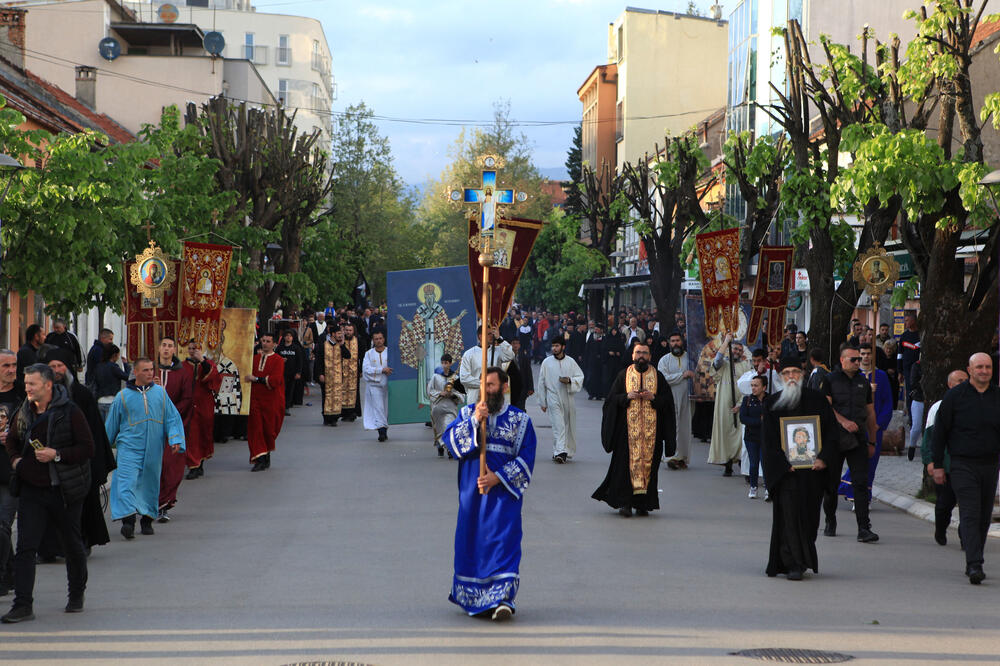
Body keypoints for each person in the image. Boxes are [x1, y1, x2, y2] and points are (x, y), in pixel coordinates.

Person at [442, 366, 536, 620]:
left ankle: (503, 599)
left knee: (502, 543)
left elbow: (527, 459)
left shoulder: (520, 420)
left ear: (504, 388)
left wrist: (497, 477)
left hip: (503, 497)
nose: (487, 390)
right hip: (472, 496)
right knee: (472, 542)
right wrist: (474, 422)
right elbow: (450, 442)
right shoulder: (467, 413)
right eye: (484, 385)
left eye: (492, 385)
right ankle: (475, 596)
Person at [2, 364, 93, 623]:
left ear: (48, 385)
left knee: (71, 545)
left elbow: (88, 448)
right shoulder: (24, 410)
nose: (27, 388)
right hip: (32, 490)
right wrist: (17, 462)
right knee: (25, 548)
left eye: (32, 384)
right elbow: (12, 440)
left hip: (63, 490)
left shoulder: (70, 412)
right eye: (26, 383)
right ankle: (23, 605)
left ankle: (76, 594)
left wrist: (58, 454)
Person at [761, 357, 837, 580]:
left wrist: (824, 458)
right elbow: (769, 440)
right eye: (786, 373)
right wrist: (783, 465)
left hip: (813, 472)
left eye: (795, 372)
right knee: (789, 517)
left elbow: (831, 432)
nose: (791, 377)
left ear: (802, 375)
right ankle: (792, 563)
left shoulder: (817, 400)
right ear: (781, 376)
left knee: (810, 518)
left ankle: (802, 560)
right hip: (787, 473)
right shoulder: (773, 403)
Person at [932, 353, 1000, 585]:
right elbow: (939, 432)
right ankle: (974, 564)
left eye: (988, 367)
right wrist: (938, 464)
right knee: (970, 513)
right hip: (962, 464)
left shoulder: (997, 396)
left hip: (990, 464)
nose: (984, 371)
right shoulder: (954, 397)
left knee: (983, 517)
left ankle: (975, 556)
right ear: (969, 370)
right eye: (979, 367)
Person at [39, 349, 115, 559]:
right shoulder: (37, 396)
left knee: (80, 508)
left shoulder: (81, 395)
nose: (56, 371)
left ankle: (82, 541)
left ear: (68, 368)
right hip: (48, 462)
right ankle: (48, 549)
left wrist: (97, 463)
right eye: (52, 367)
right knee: (47, 507)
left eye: (60, 366)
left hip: (79, 462)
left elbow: (95, 432)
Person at [593, 341, 675, 517]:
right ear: (632, 355)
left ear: (650, 356)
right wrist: (626, 397)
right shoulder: (624, 375)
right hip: (627, 433)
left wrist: (653, 397)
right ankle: (625, 503)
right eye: (638, 353)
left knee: (650, 469)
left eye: (645, 353)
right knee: (624, 469)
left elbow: (668, 403)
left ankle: (643, 504)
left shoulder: (658, 377)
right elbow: (610, 401)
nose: (641, 356)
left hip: (652, 435)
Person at [106, 358, 185, 540]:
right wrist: (102, 450)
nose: (150, 373)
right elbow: (111, 426)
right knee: (126, 483)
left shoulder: (160, 394)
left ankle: (147, 519)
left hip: (153, 448)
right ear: (136, 372)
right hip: (128, 447)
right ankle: (128, 520)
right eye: (146, 370)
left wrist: (175, 439)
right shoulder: (122, 397)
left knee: (150, 483)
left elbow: (172, 418)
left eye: (151, 369)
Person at [821, 345, 879, 543]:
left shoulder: (863, 382)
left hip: (858, 439)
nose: (858, 362)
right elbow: (826, 408)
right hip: (835, 438)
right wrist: (843, 421)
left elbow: (870, 413)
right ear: (843, 359)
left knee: (861, 483)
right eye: (854, 359)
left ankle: (864, 528)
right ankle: (830, 518)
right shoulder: (830, 380)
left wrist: (873, 439)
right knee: (831, 483)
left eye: (859, 359)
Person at [838, 345, 892, 504]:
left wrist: (879, 424)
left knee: (871, 463)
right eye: (862, 354)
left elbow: (888, 402)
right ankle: (854, 494)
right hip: (858, 426)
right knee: (858, 462)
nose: (866, 357)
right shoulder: (853, 377)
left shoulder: (881, 376)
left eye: (869, 354)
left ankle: (864, 498)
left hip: (875, 428)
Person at [922, 369, 968, 546]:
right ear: (950, 384)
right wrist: (931, 461)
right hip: (946, 465)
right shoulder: (939, 407)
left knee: (968, 506)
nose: (963, 383)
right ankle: (941, 528)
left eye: (965, 380)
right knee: (944, 505)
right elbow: (929, 436)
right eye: (958, 381)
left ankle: (967, 539)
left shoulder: (974, 403)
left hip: (966, 466)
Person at [154, 337, 193, 523]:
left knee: (171, 466)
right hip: (151, 426)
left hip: (173, 426)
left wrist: (171, 414)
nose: (166, 349)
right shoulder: (150, 371)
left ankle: (165, 504)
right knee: (154, 466)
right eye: (163, 346)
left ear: (175, 350)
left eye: (170, 346)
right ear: (158, 348)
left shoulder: (183, 373)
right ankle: (152, 503)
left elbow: (187, 398)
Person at [706, 334, 751, 475]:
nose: (736, 352)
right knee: (725, 432)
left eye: (739, 350)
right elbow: (717, 360)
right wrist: (726, 341)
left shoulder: (746, 366)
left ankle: (741, 463)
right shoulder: (724, 364)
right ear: (730, 350)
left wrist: (740, 404)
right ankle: (728, 464)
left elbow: (749, 387)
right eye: (734, 349)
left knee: (740, 434)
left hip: (741, 403)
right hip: (724, 404)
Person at [0, 349, 25, 598]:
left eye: (14, 364)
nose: (11, 369)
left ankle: (3, 577)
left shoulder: (23, 395)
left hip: (12, 471)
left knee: (3, 525)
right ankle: (11, 571)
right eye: (6, 365)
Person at [537, 336, 584, 464]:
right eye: (553, 346)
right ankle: (561, 452)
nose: (554, 348)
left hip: (567, 396)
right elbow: (541, 382)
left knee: (565, 425)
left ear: (563, 347)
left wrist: (570, 380)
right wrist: (542, 401)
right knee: (559, 425)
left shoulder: (571, 362)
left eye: (557, 346)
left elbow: (580, 376)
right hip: (552, 397)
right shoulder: (546, 362)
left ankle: (557, 449)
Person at [183, 340, 221, 480]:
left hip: (204, 405)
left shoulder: (208, 364)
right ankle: (193, 466)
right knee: (191, 436)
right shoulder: (183, 365)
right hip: (188, 406)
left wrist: (202, 361)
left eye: (196, 348)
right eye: (190, 348)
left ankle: (200, 464)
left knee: (203, 434)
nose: (193, 351)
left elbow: (213, 378)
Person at [248, 333, 285, 471]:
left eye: (268, 341)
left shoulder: (278, 360)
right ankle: (260, 459)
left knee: (268, 429)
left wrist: (257, 379)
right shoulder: (254, 359)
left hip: (271, 400)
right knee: (256, 428)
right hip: (255, 399)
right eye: (263, 341)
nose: (265, 343)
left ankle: (266, 454)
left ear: (274, 344)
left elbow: (275, 380)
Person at [658, 332, 693, 470]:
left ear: (682, 341)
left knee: (685, 427)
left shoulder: (690, 358)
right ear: (669, 343)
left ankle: (682, 458)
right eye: (672, 341)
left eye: (677, 340)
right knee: (673, 427)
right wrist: (682, 375)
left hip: (687, 398)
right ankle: (671, 457)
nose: (675, 343)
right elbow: (663, 378)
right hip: (670, 398)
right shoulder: (664, 360)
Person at [459, 327, 514, 406]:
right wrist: (484, 383)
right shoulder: (469, 354)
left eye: (492, 334)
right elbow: (464, 378)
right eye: (489, 334)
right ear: (480, 336)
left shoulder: (497, 351)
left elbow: (510, 355)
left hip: (494, 396)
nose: (491, 336)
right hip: (475, 397)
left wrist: (499, 339)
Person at [427, 353, 465, 457]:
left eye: (446, 363)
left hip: (450, 407)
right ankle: (440, 444)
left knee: (449, 427)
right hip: (438, 406)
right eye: (442, 363)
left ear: (450, 363)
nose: (444, 365)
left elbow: (461, 394)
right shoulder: (436, 376)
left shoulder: (455, 377)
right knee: (440, 429)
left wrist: (452, 394)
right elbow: (429, 390)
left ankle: (449, 448)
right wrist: (440, 393)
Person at [738, 375, 766, 499]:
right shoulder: (747, 400)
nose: (753, 388)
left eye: (756, 385)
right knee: (754, 463)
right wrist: (759, 421)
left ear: (764, 387)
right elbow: (743, 418)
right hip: (751, 437)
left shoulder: (770, 400)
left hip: (765, 437)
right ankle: (753, 487)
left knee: (765, 463)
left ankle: (768, 488)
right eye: (752, 385)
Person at [316, 325, 350, 427]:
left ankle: (335, 417)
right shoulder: (323, 345)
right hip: (326, 375)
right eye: (339, 333)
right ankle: (326, 417)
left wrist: (343, 345)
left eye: (341, 334)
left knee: (337, 396)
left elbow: (348, 356)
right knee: (326, 396)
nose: (341, 335)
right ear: (333, 334)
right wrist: (320, 374)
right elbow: (318, 361)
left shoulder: (340, 345)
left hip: (338, 376)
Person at [362, 331, 390, 442]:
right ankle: (381, 431)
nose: (378, 341)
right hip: (374, 385)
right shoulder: (368, 354)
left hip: (388, 385)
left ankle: (385, 428)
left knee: (386, 408)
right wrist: (381, 370)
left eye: (380, 338)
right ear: (373, 340)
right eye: (376, 339)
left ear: (383, 339)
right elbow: (366, 369)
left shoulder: (390, 352)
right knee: (378, 408)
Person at [93, 344, 129, 421]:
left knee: (102, 429)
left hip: (100, 401)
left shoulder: (98, 366)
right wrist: (126, 364)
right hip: (112, 401)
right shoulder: (113, 367)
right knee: (110, 429)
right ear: (114, 355)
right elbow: (127, 377)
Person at [275, 330, 302, 416]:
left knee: (289, 391)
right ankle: (280, 407)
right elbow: (275, 358)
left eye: (290, 336)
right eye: (287, 336)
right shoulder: (280, 348)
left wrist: (298, 372)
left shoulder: (296, 348)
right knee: (281, 391)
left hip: (292, 373)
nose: (288, 337)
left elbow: (299, 361)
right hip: (282, 373)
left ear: (292, 338)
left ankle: (287, 407)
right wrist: (280, 360)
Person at [898, 312, 920, 415]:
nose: (905, 323)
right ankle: (911, 418)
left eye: (907, 320)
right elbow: (899, 354)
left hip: (919, 369)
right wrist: (900, 371)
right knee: (909, 392)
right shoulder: (904, 336)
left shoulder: (920, 335)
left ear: (913, 320)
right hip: (907, 369)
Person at [341, 322, 362, 421]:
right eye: (347, 330)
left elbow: (362, 356)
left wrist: (361, 369)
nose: (348, 332)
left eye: (350, 330)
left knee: (354, 391)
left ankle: (353, 412)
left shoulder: (358, 341)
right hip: (342, 371)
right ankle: (344, 413)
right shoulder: (340, 341)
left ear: (353, 331)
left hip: (354, 370)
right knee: (343, 391)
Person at [509, 338, 533, 410]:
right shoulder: (507, 357)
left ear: (519, 345)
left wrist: (530, 388)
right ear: (510, 345)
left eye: (517, 343)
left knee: (521, 408)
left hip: (523, 388)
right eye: (513, 343)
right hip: (511, 388)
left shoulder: (524, 357)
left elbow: (528, 372)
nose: (515, 345)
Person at [583, 323, 605, 400]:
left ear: (601, 330)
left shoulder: (604, 337)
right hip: (591, 361)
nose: (595, 330)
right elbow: (587, 348)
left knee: (599, 378)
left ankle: (599, 394)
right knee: (591, 378)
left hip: (600, 362)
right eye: (595, 329)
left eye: (597, 329)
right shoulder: (592, 337)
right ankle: (591, 393)